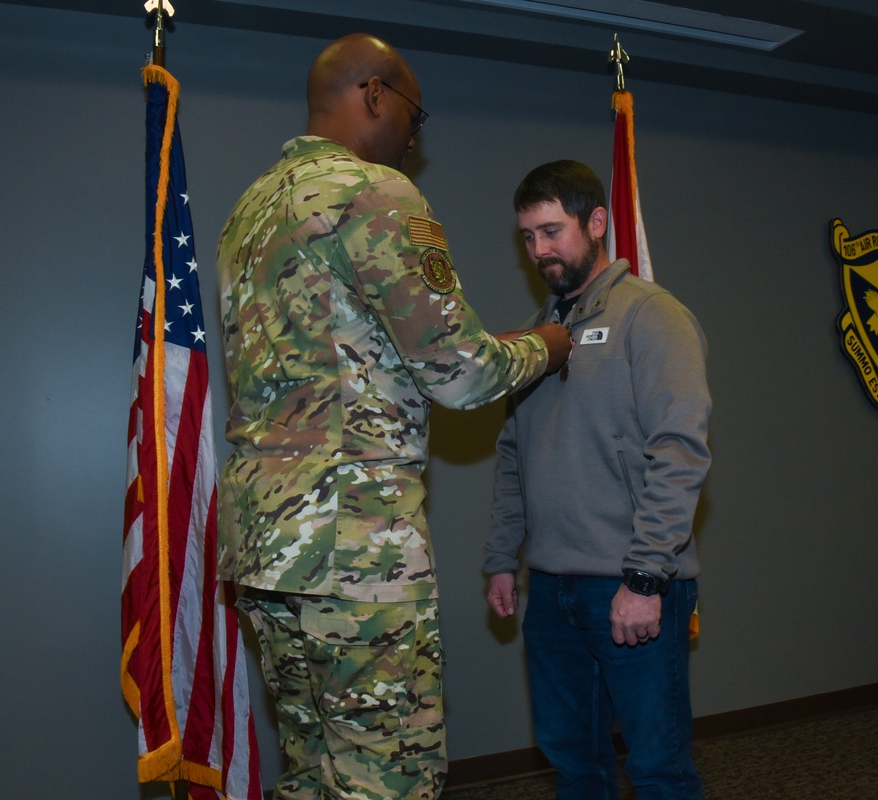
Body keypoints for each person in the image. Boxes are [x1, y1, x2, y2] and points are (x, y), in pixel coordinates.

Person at [216, 34, 571, 800]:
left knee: (313, 770)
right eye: (416, 113)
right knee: (388, 777)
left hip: (264, 541)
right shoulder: (372, 192)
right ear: (375, 93)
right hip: (354, 548)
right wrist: (546, 345)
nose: (417, 136)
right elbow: (461, 373)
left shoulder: (252, 209)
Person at [484, 160, 712, 800]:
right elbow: (513, 453)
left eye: (552, 231)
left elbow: (681, 450)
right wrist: (503, 556)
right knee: (575, 766)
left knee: (658, 770)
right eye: (528, 236)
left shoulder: (652, 316)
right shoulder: (537, 335)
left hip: (632, 588)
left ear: (598, 223)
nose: (539, 250)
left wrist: (644, 577)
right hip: (552, 592)